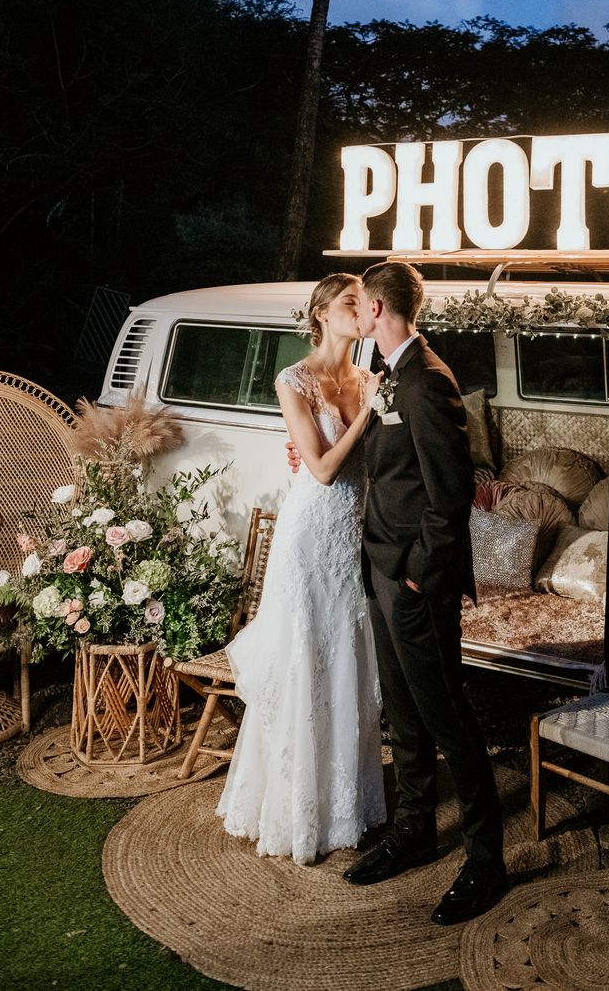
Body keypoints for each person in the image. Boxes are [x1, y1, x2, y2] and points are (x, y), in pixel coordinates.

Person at [345, 260, 506, 926]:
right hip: (381, 569)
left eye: (358, 306)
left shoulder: (428, 382)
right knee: (403, 714)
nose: (353, 315)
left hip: (414, 579)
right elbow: (393, 472)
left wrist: (415, 575)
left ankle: (486, 861)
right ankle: (415, 830)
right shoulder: (388, 378)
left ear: (378, 310)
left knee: (448, 719)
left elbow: (449, 497)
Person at [216, 273, 386, 865]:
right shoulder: (294, 380)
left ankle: (346, 807)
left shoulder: (370, 378)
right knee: (304, 661)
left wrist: (374, 406)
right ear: (320, 314)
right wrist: (367, 416)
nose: (360, 310)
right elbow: (319, 470)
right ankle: (292, 809)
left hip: (353, 538)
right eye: (348, 303)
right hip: (309, 535)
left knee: (345, 660)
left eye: (364, 304)